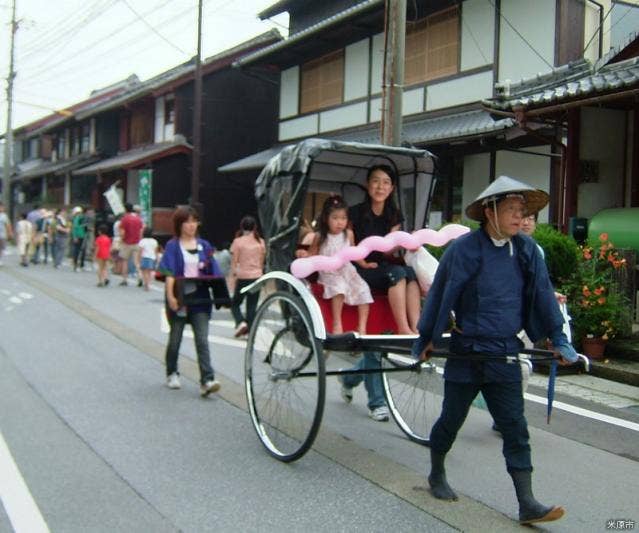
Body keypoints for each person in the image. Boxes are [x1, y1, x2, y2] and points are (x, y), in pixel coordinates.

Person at [412, 176, 579, 525]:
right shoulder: (464, 249)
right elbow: (442, 294)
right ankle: (436, 473)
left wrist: (559, 339)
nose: (521, 218)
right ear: (490, 211)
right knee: (451, 419)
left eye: (523, 212)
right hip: (467, 351)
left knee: (515, 427)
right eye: (513, 211)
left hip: (504, 351)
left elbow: (544, 296)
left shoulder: (528, 251)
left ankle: (527, 502)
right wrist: (427, 337)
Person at [349, 164, 421, 334]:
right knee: (397, 273)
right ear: (368, 185)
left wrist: (407, 241)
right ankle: (403, 328)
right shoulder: (354, 212)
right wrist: (364, 263)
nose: (380, 187)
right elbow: (349, 246)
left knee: (410, 272)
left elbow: (387, 251)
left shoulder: (393, 214)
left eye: (386, 182)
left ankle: (417, 328)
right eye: (376, 181)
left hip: (381, 266)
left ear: (392, 188)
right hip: (357, 267)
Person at [158, 206, 222, 397]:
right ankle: (172, 372)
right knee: (175, 339)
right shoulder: (172, 246)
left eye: (194, 221)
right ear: (179, 224)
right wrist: (170, 297)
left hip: (201, 297)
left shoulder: (205, 245)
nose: (191, 225)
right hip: (180, 297)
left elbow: (215, 271)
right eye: (187, 222)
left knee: (202, 339)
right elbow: (169, 273)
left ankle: (207, 379)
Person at [309, 195, 372, 334]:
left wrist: (365, 264)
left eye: (343, 218)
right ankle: (337, 324)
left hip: (347, 270)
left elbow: (354, 252)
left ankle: (362, 328)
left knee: (364, 288)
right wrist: (303, 256)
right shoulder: (320, 236)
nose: (340, 222)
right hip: (329, 271)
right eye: (335, 218)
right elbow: (312, 255)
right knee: (339, 287)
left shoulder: (348, 234)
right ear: (326, 219)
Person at [229, 215, 266, 337]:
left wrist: (232, 279)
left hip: (243, 276)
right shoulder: (261, 241)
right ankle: (250, 332)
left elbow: (234, 262)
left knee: (235, 303)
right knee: (252, 305)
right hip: (257, 276)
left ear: (242, 226)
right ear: (255, 227)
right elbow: (262, 261)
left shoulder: (238, 242)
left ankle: (240, 322)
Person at [118, 203, 143, 286]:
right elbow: (141, 231)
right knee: (137, 262)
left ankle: (124, 280)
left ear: (125, 209)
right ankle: (140, 277)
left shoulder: (125, 219)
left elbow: (122, 232)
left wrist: (121, 240)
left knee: (125, 261)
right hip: (137, 242)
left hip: (126, 243)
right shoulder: (138, 219)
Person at [71, 206, 88, 272]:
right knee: (78, 251)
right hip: (79, 236)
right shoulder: (78, 218)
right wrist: (75, 236)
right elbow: (75, 228)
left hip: (82, 235)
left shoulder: (81, 218)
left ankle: (81, 265)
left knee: (81, 251)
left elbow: (83, 227)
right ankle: (76, 265)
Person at [0, 202, 13, 267]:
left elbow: (8, 225)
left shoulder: (4, 216)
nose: (2, 208)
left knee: (1, 247)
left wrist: (10, 233)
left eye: (2, 207)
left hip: (2, 234)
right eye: (1, 207)